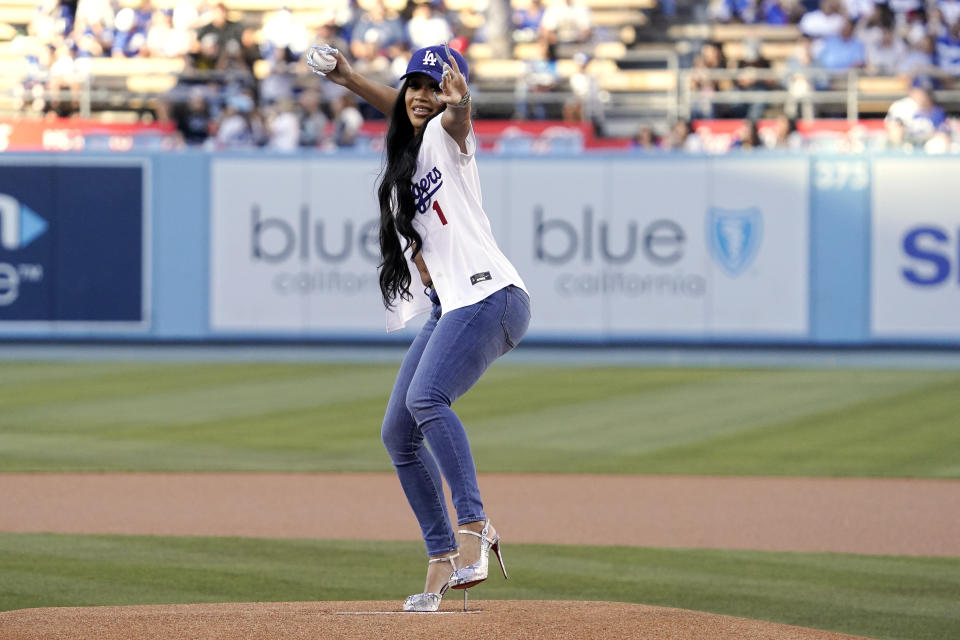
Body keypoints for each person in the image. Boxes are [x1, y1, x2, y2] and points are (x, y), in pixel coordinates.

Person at [307, 43, 531, 612]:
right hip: (451, 304)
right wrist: (351, 77)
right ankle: (440, 558)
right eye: (415, 86)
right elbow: (396, 103)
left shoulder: (446, 135)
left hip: (490, 295)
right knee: (398, 434)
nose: (421, 97)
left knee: (428, 397)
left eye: (433, 87)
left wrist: (462, 103)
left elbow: (453, 116)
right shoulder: (412, 141)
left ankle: (475, 527)